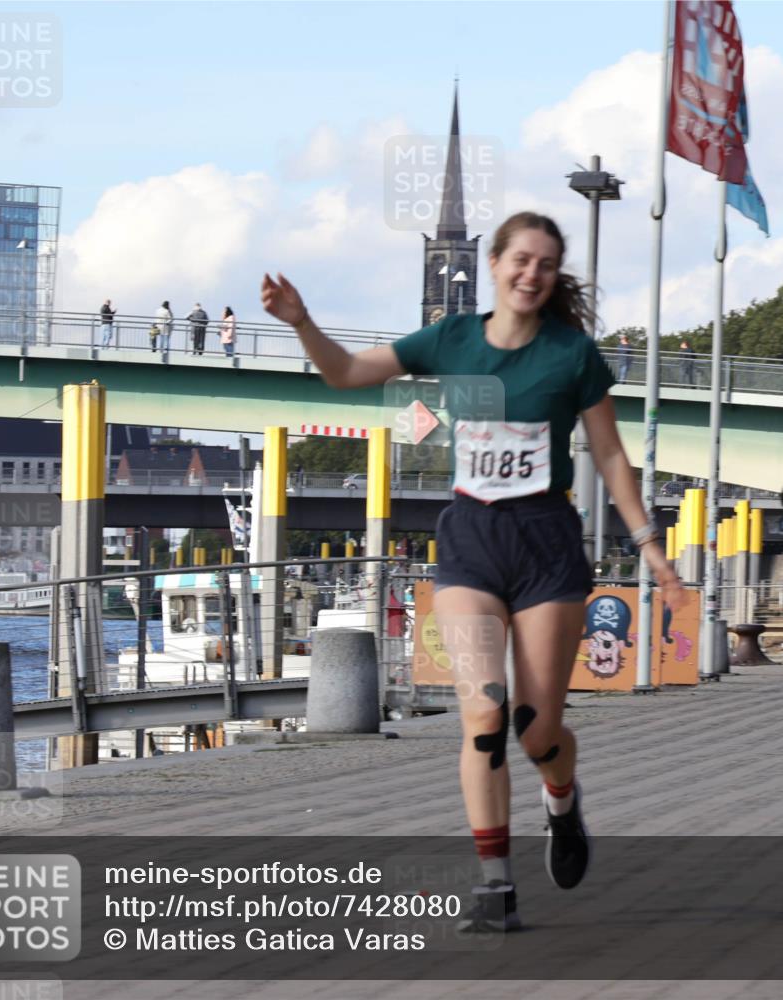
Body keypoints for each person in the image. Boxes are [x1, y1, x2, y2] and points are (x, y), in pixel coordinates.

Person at [262, 211, 686, 932]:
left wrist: (649, 545)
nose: (532, 274)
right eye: (522, 259)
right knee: (484, 717)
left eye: (546, 264)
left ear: (554, 277)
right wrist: (303, 322)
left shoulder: (572, 354)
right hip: (470, 542)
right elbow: (345, 375)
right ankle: (496, 885)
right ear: (493, 264)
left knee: (535, 728)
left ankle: (562, 797)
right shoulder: (451, 340)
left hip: (546, 544)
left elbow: (611, 457)